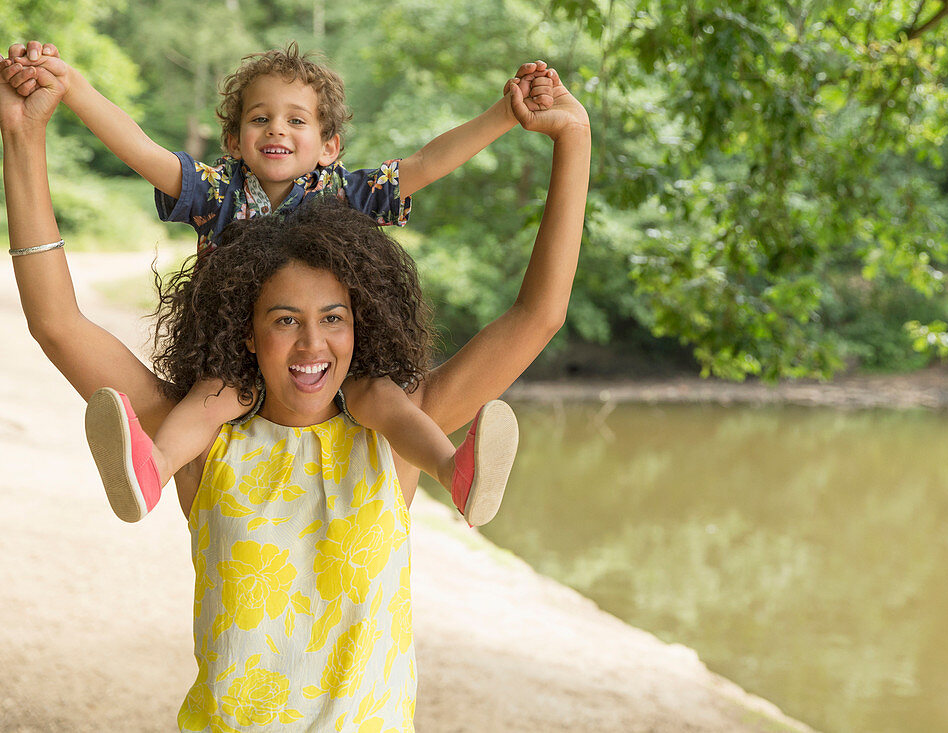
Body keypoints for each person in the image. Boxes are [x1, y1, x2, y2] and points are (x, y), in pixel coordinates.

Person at [2, 44, 590, 729]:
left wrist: (573, 139)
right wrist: (22, 136)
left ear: (361, 322)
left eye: (333, 319)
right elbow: (55, 322)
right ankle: (147, 470)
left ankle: (459, 475)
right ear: (246, 329)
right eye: (285, 319)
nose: (313, 343)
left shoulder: (392, 432)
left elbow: (539, 314)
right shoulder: (203, 434)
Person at [1, 41, 554, 527]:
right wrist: (71, 87)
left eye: (297, 121)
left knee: (383, 396)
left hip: (335, 360)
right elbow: (142, 149)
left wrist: (504, 113)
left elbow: (431, 160)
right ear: (234, 139)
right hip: (240, 352)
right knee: (211, 398)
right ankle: (153, 470)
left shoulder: (349, 192)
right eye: (260, 119)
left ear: (329, 144)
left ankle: (452, 469)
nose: (277, 131)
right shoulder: (216, 191)